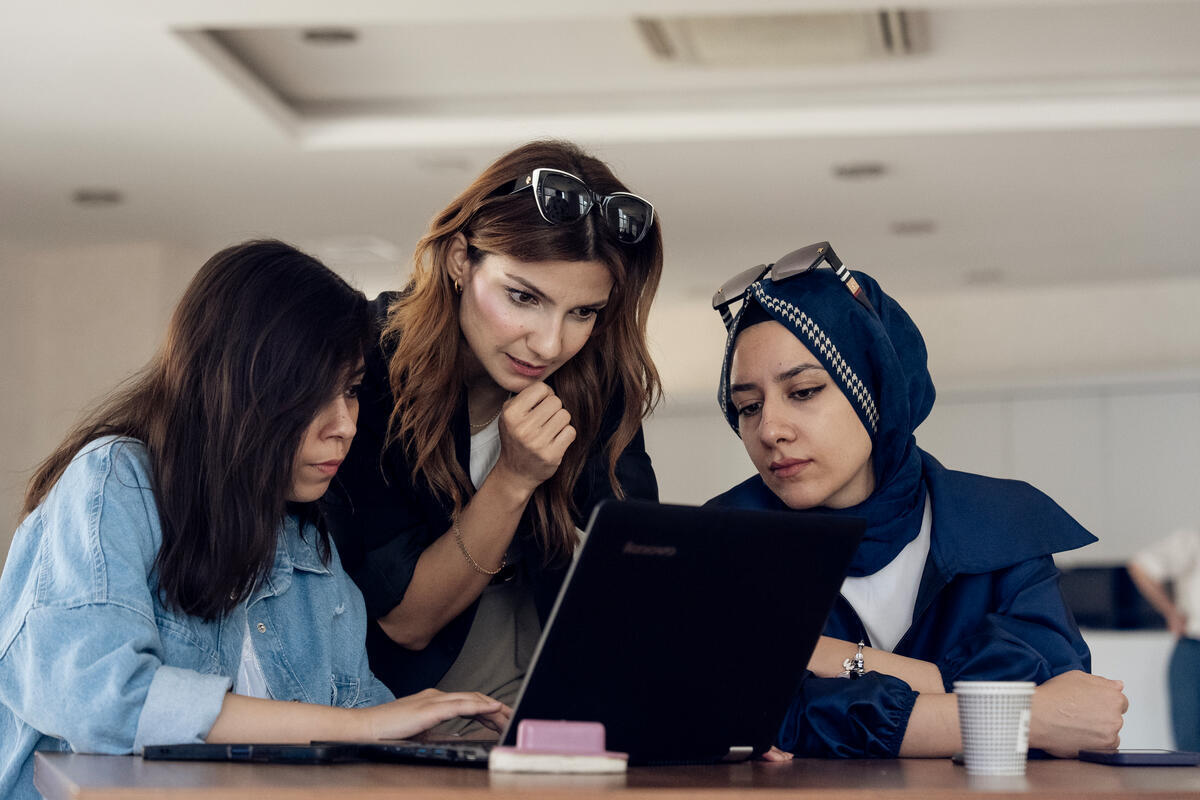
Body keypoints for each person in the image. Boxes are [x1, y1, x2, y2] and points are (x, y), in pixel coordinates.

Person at [0, 241, 506, 800]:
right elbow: (100, 699)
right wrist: (363, 729)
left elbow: (360, 711)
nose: (345, 426)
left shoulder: (306, 541)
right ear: (240, 387)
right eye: (314, 394)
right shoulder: (116, 480)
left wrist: (451, 751)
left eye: (352, 390)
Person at [707, 241, 1128, 758]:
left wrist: (821, 658)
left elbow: (1059, 701)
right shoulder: (720, 540)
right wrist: (1001, 711)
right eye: (748, 406)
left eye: (804, 391)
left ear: (877, 389)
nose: (770, 429)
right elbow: (736, 714)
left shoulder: (997, 523)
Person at [323, 141, 662, 726]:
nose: (549, 344)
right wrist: (514, 479)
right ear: (460, 259)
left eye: (583, 312)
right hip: (402, 703)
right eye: (523, 297)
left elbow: (641, 567)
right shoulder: (364, 372)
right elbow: (406, 623)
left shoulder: (591, 377)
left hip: (553, 693)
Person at [1128, 528, 1200, 751]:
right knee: (1189, 744)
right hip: (1193, 646)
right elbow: (1140, 565)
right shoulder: (1193, 539)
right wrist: (1170, 612)